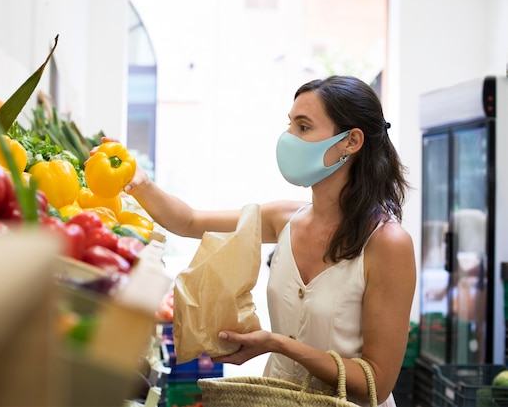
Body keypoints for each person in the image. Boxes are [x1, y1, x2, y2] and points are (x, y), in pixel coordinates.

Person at [122, 75, 416, 406]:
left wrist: (277, 344)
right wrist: (140, 183)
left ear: (351, 141)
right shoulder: (284, 219)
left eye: (303, 127)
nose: (288, 138)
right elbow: (189, 221)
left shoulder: (388, 244)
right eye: (290, 125)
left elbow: (376, 381)